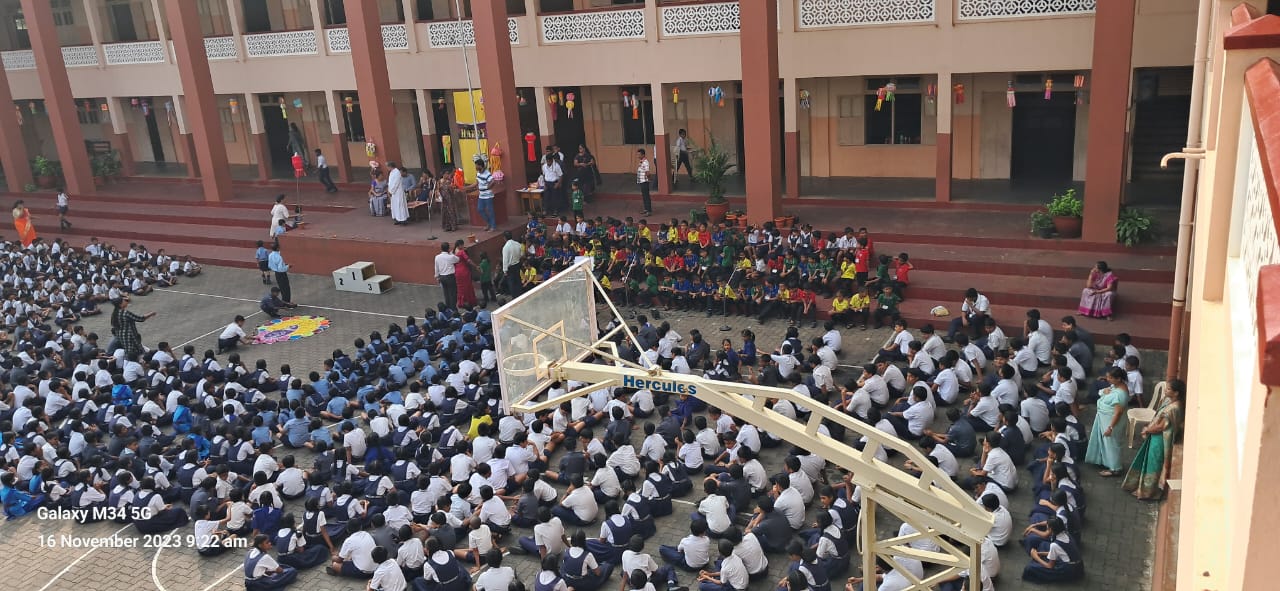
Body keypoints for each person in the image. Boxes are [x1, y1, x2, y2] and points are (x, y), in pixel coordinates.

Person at [1123, 379, 1183, 500]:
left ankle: (1148, 492)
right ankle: (1142, 488)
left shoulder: (1174, 408)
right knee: (1149, 461)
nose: (1165, 390)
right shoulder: (1168, 401)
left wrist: (1147, 430)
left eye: (1168, 389)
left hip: (1160, 440)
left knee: (1153, 464)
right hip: (1156, 436)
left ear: (1176, 393)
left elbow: (1161, 426)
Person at [1085, 367, 1130, 476]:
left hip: (1111, 422)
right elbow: (1106, 391)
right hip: (1105, 419)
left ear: (1118, 379)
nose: (1107, 379)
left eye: (1110, 377)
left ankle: (1115, 468)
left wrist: (1110, 427)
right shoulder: (1115, 386)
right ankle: (1106, 461)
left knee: (1112, 444)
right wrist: (1103, 391)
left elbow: (1118, 413)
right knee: (1106, 442)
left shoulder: (1120, 394)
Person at [467, 158, 498, 232]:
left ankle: (493, 226)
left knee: (490, 211)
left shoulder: (487, 173)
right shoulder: (478, 173)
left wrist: (488, 187)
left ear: (480, 166)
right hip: (481, 195)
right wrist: (467, 187)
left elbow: (493, 181)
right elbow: (476, 183)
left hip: (488, 195)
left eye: (476, 166)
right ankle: (488, 223)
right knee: (480, 209)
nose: (475, 167)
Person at [453, 240, 478, 309]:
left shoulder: (454, 252)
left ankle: (462, 302)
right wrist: (476, 266)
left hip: (457, 271)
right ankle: (470, 301)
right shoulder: (462, 252)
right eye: (462, 245)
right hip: (464, 271)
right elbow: (468, 260)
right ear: (460, 245)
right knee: (468, 286)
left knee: (460, 287)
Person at [435, 242, 459, 310]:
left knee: (446, 294)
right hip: (450, 277)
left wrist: (437, 277)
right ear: (448, 249)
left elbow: (436, 268)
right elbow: (457, 259)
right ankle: (453, 309)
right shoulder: (450, 257)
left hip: (442, 277)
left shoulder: (437, 257)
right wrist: (451, 253)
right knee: (453, 293)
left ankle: (448, 308)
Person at [636, 148, 652, 216]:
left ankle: (649, 211)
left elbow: (647, 172)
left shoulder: (645, 162)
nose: (638, 156)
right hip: (641, 181)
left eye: (639, 154)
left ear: (643, 155)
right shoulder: (641, 161)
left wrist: (649, 179)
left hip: (644, 181)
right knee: (644, 196)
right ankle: (646, 209)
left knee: (646, 196)